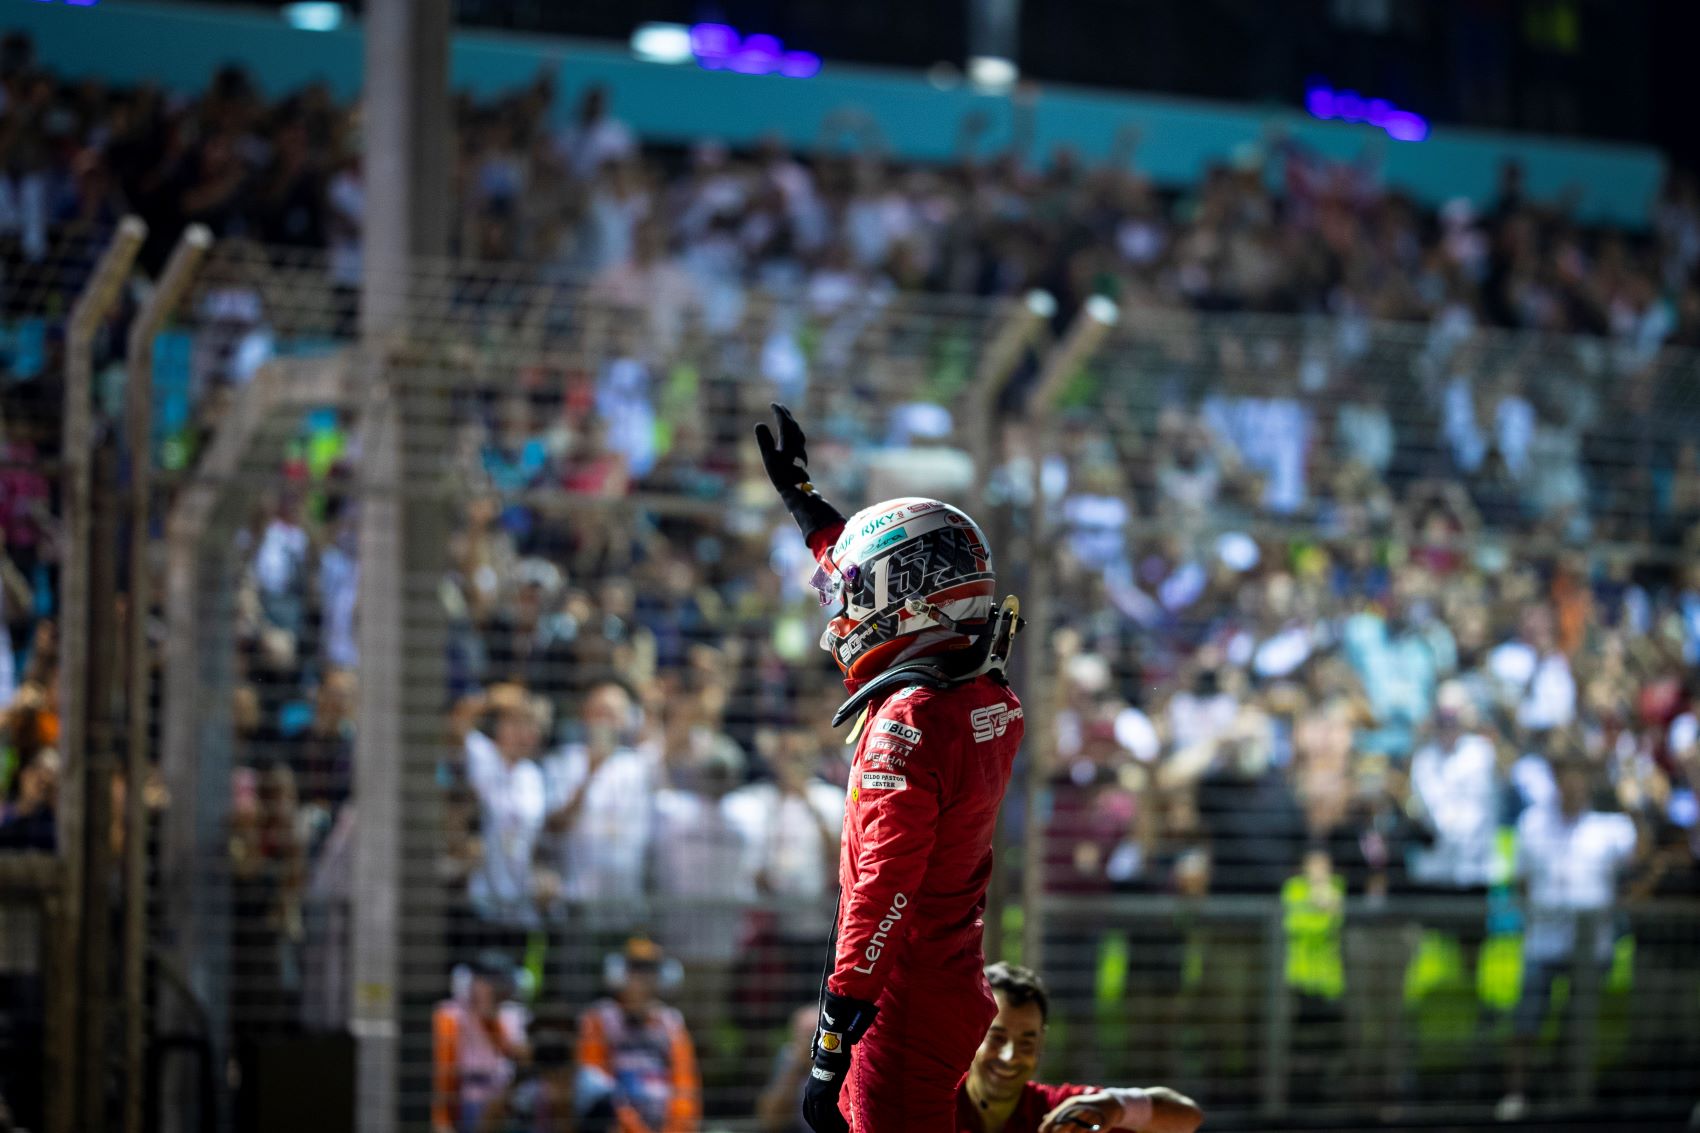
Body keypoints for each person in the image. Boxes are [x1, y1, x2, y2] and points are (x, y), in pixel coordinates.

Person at [754, 404, 1026, 1133]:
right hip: (946, 979)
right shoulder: (985, 688)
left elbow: (884, 886)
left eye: (852, 597)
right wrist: (807, 506)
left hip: (896, 1001)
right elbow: (898, 570)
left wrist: (832, 1037)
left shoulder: (909, 719)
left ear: (903, 599)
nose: (839, 612)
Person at [957, 962, 1203, 1133]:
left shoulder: (1061, 1110)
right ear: (971, 1034)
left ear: (1041, 1043)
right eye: (997, 1038)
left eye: (1026, 1042)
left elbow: (1188, 1117)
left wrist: (1116, 1107)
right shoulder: (936, 1102)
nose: (1010, 1056)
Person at [576, 937, 701, 1133]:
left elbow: (684, 1087)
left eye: (649, 971)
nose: (641, 980)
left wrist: (675, 1129)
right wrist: (633, 1127)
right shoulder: (599, 1019)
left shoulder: (671, 1023)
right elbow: (597, 1087)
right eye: (635, 970)